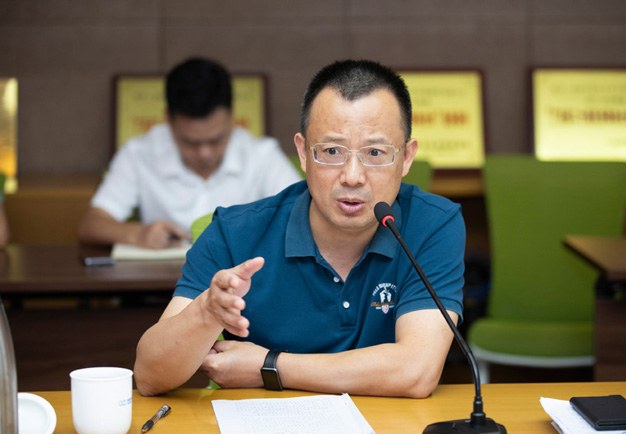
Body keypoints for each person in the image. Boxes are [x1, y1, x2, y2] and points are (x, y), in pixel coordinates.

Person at [134, 60, 465, 398]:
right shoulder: (233, 234)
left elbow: (416, 371)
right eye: (331, 151)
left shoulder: (433, 224)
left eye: (375, 152)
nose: (353, 176)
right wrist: (205, 313)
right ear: (303, 153)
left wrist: (268, 366)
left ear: (406, 157)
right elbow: (149, 376)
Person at [78, 57, 301, 249]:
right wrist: (139, 235)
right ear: (168, 119)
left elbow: (304, 216)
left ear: (232, 116)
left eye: (216, 140)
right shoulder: (139, 153)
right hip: (163, 282)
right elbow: (91, 225)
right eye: (190, 142)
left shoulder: (262, 155)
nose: (204, 153)